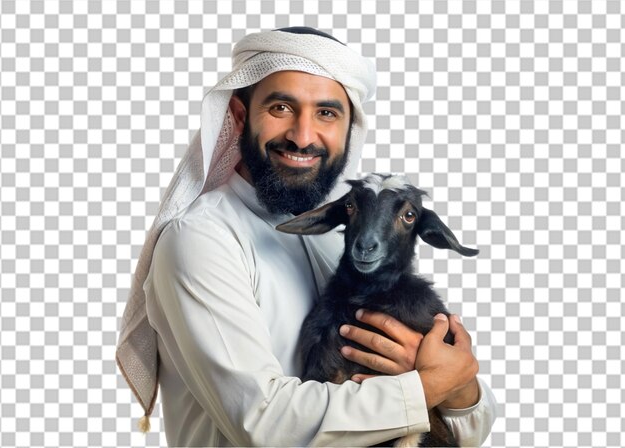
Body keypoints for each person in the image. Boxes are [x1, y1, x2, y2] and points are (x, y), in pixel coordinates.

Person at [117, 27, 497, 446]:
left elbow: (467, 431)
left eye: (327, 113)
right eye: (281, 107)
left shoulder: (351, 233)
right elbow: (264, 424)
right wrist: (427, 386)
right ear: (240, 117)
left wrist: (461, 389)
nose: (302, 135)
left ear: (348, 128)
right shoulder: (202, 240)